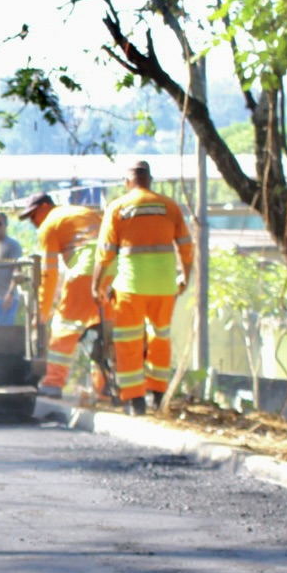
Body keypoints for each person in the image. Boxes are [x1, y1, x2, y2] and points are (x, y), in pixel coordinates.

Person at [94, 160, 194, 414]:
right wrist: (184, 276)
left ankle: (136, 401)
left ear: (127, 183)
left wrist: (96, 284)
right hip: (163, 286)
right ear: (150, 180)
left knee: (128, 341)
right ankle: (158, 395)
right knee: (159, 337)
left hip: (131, 287)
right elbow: (186, 246)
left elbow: (105, 253)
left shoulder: (117, 208)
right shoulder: (170, 206)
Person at [22, 193, 105, 399]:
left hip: (85, 272)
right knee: (105, 331)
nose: (34, 223)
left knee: (64, 328)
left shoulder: (50, 224)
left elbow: (48, 274)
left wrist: (42, 311)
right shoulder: (83, 213)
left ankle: (53, 383)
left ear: (44, 206)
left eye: (33, 216)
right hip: (112, 271)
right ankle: (104, 388)